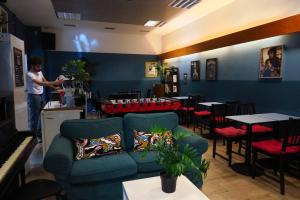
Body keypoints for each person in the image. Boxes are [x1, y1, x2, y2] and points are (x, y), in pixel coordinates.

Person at [26, 57, 64, 142]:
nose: (40, 68)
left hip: (41, 95)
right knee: (35, 117)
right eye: (38, 66)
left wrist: (55, 88)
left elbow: (45, 81)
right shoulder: (29, 74)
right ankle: (34, 137)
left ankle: (40, 134)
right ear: (32, 66)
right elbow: (41, 83)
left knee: (42, 115)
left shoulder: (40, 72)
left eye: (40, 66)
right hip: (33, 96)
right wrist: (55, 83)